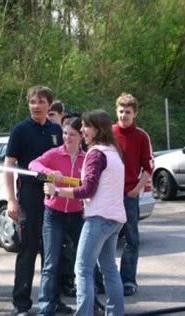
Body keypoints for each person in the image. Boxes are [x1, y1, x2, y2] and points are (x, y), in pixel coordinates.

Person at [44, 110, 126, 316]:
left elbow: (88, 189)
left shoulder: (96, 153)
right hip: (115, 219)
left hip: (99, 219)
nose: (82, 130)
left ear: (97, 129)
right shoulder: (114, 151)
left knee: (82, 270)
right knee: (109, 270)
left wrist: (58, 191)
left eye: (85, 127)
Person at [4, 85, 65, 315]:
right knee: (28, 250)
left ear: (50, 104)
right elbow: (8, 168)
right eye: (32, 101)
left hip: (55, 194)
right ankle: (21, 304)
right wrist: (11, 200)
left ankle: (52, 300)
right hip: (29, 195)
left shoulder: (57, 130)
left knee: (54, 250)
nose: (36, 106)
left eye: (41, 101)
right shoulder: (19, 131)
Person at [28, 117, 85, 315]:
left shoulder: (86, 158)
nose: (67, 138)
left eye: (72, 135)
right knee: (51, 263)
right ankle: (45, 308)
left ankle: (89, 304)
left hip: (77, 215)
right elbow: (33, 166)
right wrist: (49, 172)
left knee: (84, 261)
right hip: (54, 214)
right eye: (65, 133)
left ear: (81, 137)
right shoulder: (54, 153)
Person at [112, 93, 153, 296]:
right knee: (104, 239)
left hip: (129, 195)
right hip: (109, 196)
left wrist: (137, 189)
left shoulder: (141, 136)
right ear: (116, 111)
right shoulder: (108, 133)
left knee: (131, 239)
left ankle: (128, 280)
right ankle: (106, 280)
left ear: (134, 113)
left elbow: (148, 167)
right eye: (121, 111)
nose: (124, 115)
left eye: (128, 112)